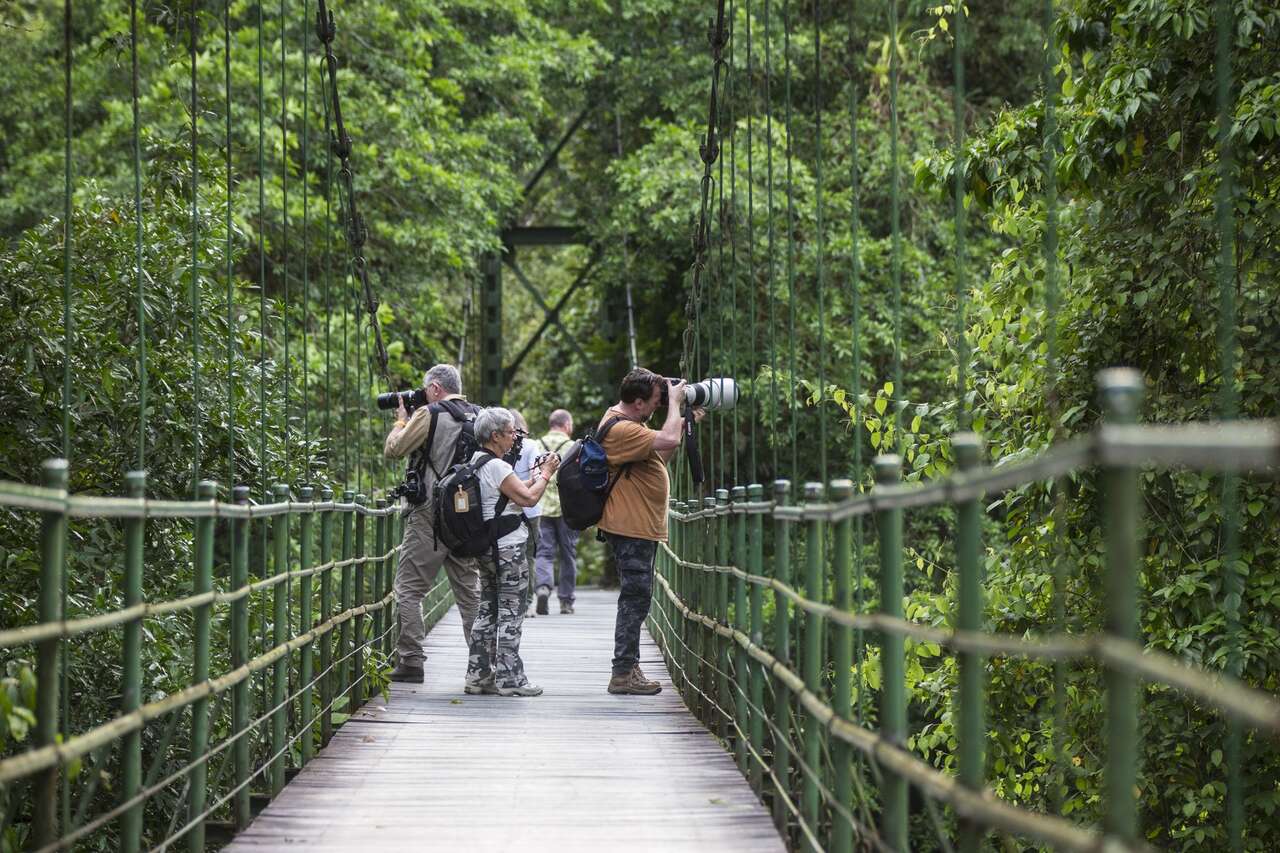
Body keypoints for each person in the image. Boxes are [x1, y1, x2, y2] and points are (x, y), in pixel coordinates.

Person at [597, 368, 701, 696]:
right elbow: (666, 439)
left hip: (638, 525)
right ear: (639, 403)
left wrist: (681, 423)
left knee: (638, 597)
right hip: (631, 527)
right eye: (656, 403)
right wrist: (676, 405)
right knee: (635, 598)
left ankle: (629, 667)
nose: (659, 408)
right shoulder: (621, 428)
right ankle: (623, 672)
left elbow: (661, 455)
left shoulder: (632, 424)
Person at [383, 364, 482, 684]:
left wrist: (401, 419)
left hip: (428, 513)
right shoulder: (479, 416)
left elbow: (394, 450)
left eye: (426, 390)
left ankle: (411, 659)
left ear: (436, 388)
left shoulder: (429, 413)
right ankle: (483, 663)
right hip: (466, 516)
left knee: (409, 589)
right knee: (470, 594)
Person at [464, 407, 559, 697]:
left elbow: (512, 494)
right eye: (510, 432)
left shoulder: (477, 462)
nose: (514, 437)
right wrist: (547, 473)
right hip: (508, 550)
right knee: (511, 612)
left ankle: (478, 676)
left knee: (488, 609)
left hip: (487, 550)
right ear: (495, 436)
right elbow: (529, 498)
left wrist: (535, 476)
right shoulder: (498, 466)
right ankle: (510, 679)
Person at [534, 409, 578, 614]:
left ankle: (543, 587)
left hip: (540, 506)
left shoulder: (536, 445)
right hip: (567, 508)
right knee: (568, 554)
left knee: (544, 552)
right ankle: (566, 601)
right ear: (566, 425)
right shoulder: (573, 447)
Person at [510, 410, 543, 617]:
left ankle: (509, 600)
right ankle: (528, 602)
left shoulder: (498, 445)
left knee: (507, 555)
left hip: (505, 506)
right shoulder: (532, 446)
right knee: (528, 556)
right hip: (530, 508)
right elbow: (537, 473)